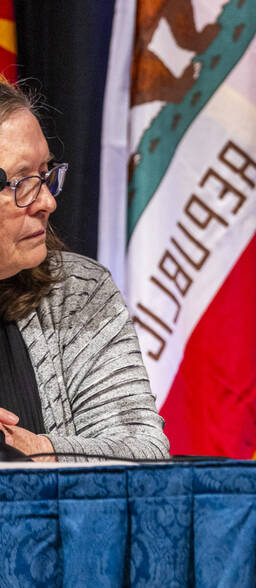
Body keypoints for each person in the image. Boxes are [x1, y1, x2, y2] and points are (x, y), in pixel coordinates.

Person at [0, 82, 169, 461]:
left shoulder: (78, 292)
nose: (46, 202)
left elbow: (144, 453)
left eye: (45, 175)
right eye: (23, 182)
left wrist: (40, 451)